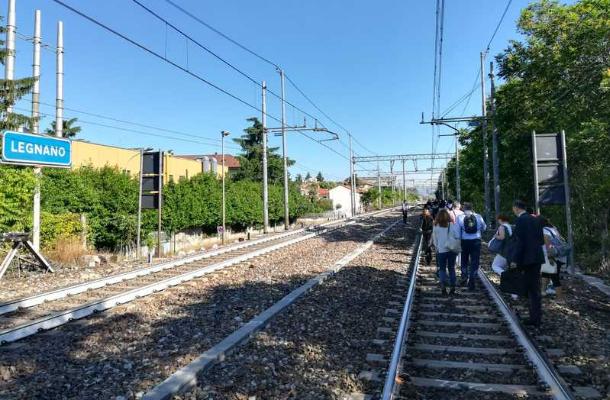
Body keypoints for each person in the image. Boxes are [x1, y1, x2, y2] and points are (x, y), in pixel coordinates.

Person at [510, 199, 545, 327]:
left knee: (528, 288)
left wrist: (514, 259)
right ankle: (536, 317)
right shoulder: (536, 219)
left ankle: (533, 318)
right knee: (535, 289)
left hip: (526, 259)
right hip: (537, 257)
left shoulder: (520, 220)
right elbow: (541, 240)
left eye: (513, 208)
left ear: (516, 208)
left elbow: (519, 242)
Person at [456, 202, 486, 290]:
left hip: (464, 241)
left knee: (464, 260)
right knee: (474, 261)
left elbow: (457, 232)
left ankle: (464, 278)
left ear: (464, 209)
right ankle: (472, 280)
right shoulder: (478, 216)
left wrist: (459, 239)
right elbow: (484, 227)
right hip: (476, 241)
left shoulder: (460, 217)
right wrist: (478, 232)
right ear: (472, 208)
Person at [432, 208, 457, 295]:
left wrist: (437, 247)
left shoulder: (436, 226)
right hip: (451, 250)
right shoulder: (452, 225)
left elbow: (434, 239)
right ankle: (453, 288)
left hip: (441, 250)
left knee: (442, 269)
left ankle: (443, 288)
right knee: (451, 268)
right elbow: (456, 236)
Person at [540, 217, 566, 298]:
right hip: (559, 255)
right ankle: (543, 292)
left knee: (554, 277)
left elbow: (548, 246)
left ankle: (560, 298)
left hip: (552, 256)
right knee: (545, 274)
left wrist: (550, 257)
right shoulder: (553, 229)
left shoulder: (544, 230)